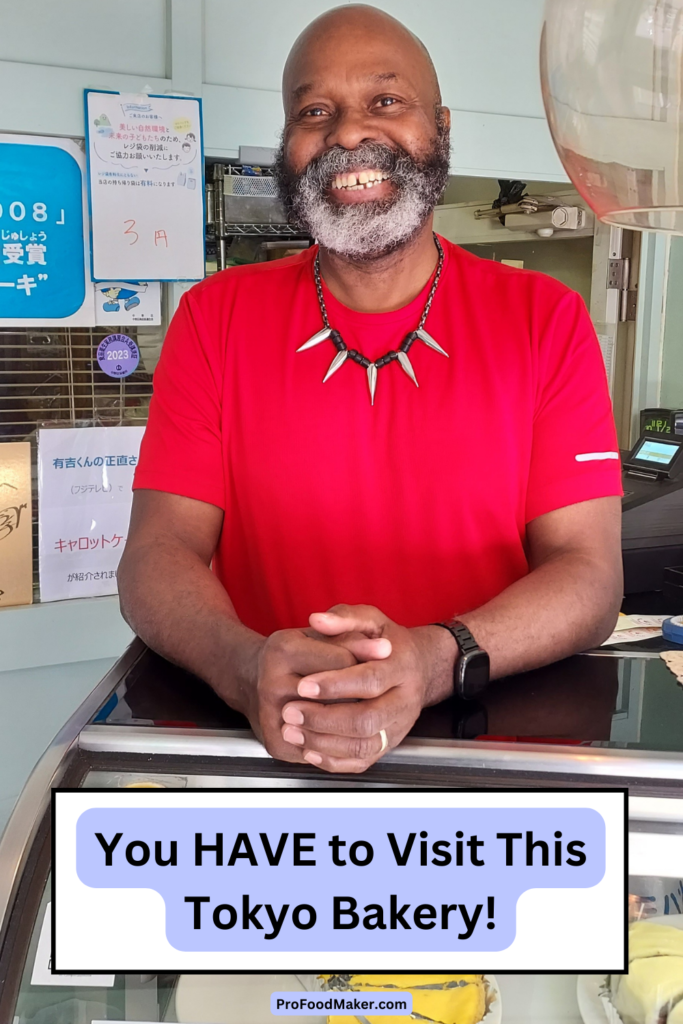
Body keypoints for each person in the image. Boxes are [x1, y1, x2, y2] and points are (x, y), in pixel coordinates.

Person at [118, 4, 623, 774]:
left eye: (385, 101)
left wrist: (433, 658)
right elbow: (157, 554)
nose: (349, 133)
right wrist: (244, 664)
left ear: (439, 125)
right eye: (314, 110)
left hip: (484, 772)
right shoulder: (212, 318)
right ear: (288, 143)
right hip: (264, 756)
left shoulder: (544, 320)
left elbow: (588, 576)